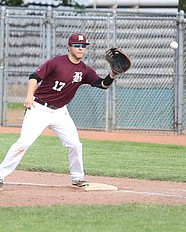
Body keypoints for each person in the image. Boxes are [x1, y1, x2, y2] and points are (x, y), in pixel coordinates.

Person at [0, 33, 117, 189]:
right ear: (69, 47)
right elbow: (34, 76)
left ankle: (77, 177)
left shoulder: (85, 70)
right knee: (24, 143)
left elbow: (102, 84)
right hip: (39, 108)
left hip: (60, 112)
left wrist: (113, 74)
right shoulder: (56, 62)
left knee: (75, 144)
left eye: (83, 46)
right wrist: (29, 95)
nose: (81, 48)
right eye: (77, 45)